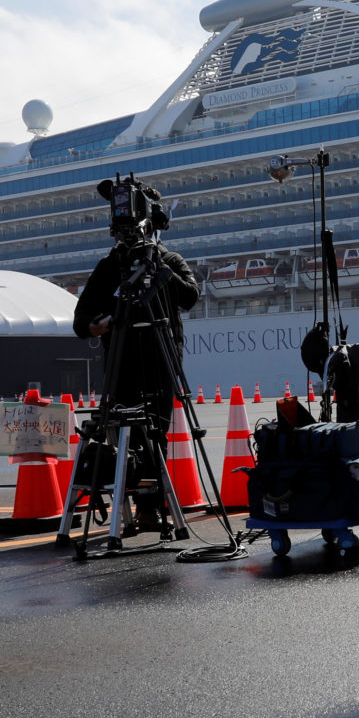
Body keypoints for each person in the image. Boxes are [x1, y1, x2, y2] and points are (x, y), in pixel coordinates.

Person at [73, 185, 199, 523]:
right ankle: (129, 505)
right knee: (126, 436)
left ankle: (151, 506)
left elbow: (190, 297)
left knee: (157, 434)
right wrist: (95, 325)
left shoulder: (169, 261)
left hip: (161, 359)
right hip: (121, 364)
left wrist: (160, 271)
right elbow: (80, 318)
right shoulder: (109, 266)